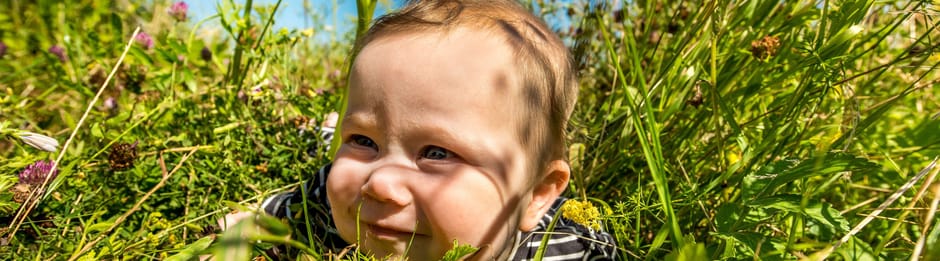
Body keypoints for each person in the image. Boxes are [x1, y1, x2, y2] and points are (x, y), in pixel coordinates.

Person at [249, 0, 617, 259]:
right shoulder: (332, 208)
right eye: (362, 139)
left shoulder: (571, 248)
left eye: (437, 153)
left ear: (536, 193)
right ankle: (328, 130)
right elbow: (273, 214)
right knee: (327, 148)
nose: (379, 183)